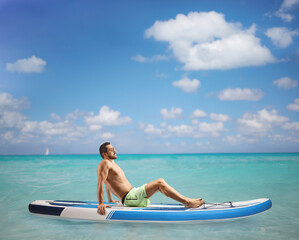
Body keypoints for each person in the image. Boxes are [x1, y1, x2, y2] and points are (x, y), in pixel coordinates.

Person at [97, 142, 205, 215]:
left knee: (160, 186)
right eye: (112, 150)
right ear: (104, 154)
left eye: (114, 149)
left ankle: (187, 200)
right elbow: (100, 183)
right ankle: (187, 202)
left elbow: (108, 182)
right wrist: (101, 203)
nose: (115, 151)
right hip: (130, 198)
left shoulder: (111, 163)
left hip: (132, 195)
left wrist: (110, 200)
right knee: (160, 182)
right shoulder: (105, 163)